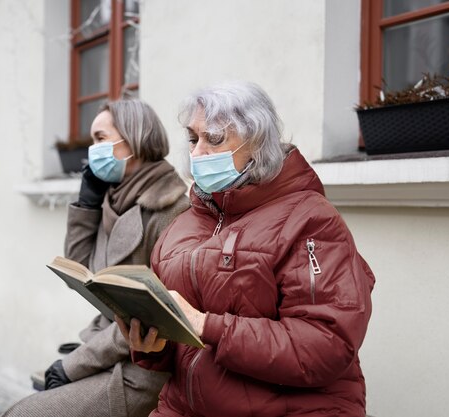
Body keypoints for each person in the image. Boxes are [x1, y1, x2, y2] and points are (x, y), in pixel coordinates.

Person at [116, 81, 376, 417]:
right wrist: (151, 345)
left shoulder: (310, 219)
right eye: (194, 140)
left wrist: (205, 324)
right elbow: (185, 353)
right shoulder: (181, 226)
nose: (197, 153)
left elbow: (326, 344)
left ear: (256, 142)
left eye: (215, 138)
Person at [2, 99, 190, 417]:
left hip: (143, 367)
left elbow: (152, 317)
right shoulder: (114, 199)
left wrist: (74, 365)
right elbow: (82, 273)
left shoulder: (172, 209)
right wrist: (87, 205)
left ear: (134, 140)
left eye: (101, 138)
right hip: (108, 348)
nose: (93, 149)